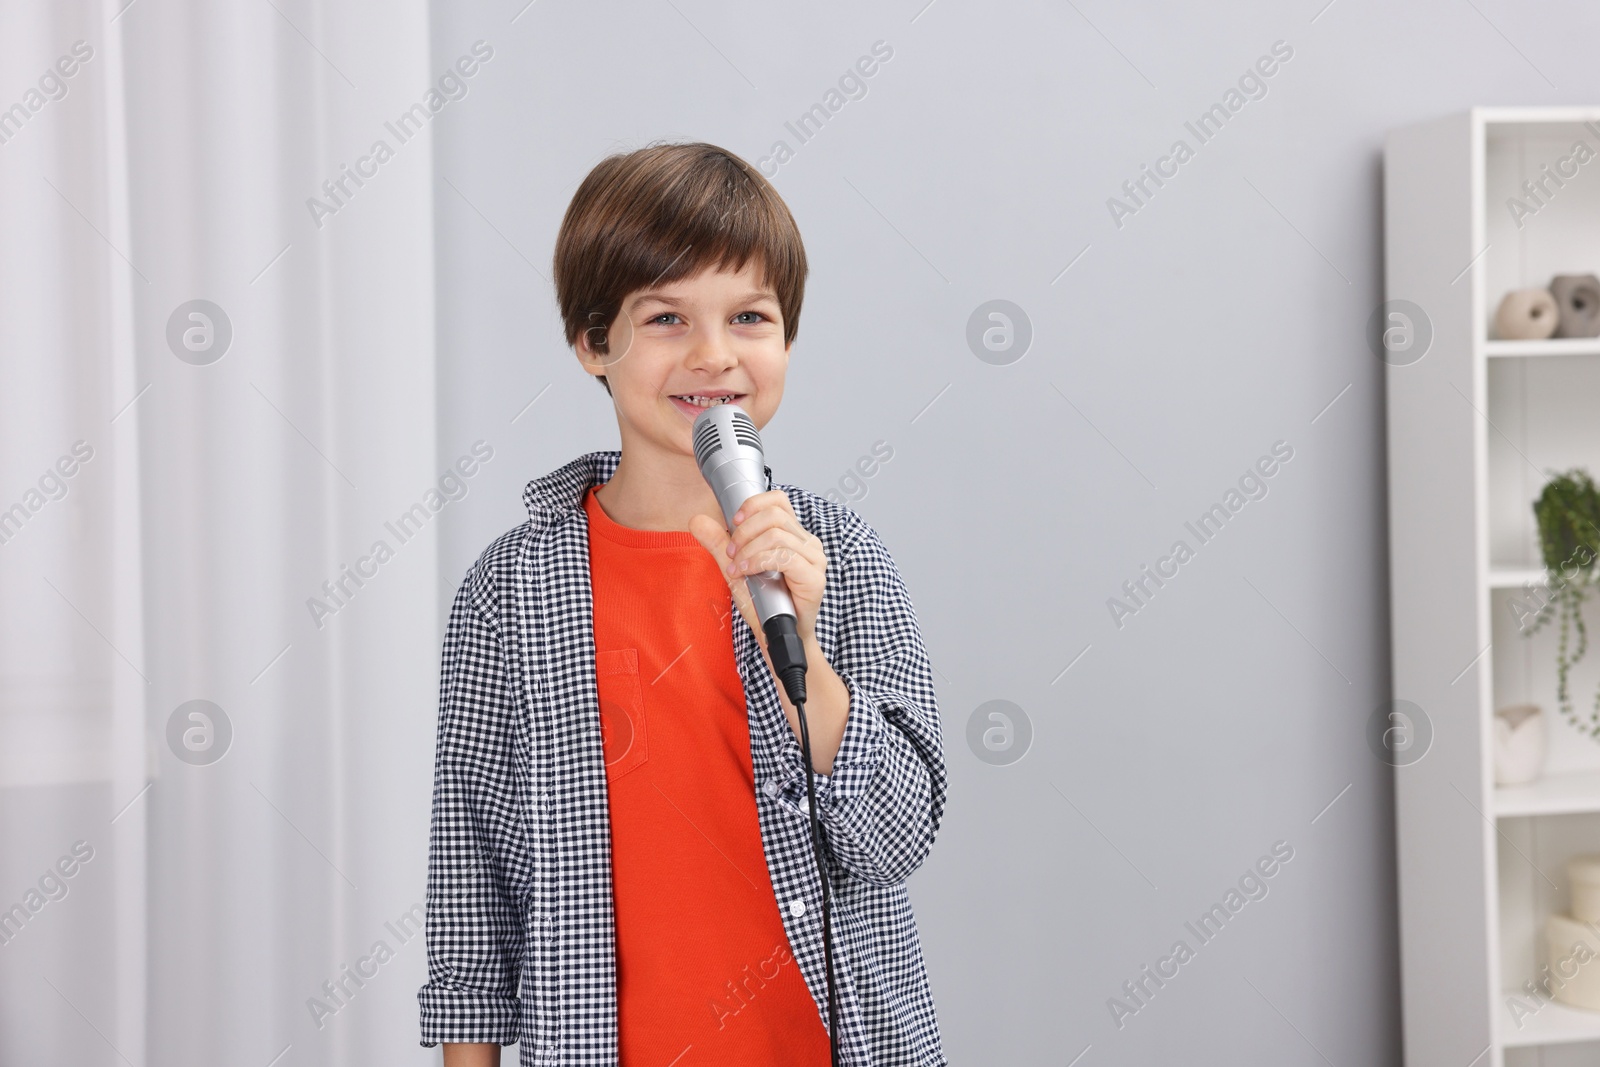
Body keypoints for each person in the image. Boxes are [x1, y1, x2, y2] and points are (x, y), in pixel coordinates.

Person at [417, 141, 948, 1066]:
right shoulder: (512, 589)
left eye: (749, 315)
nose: (714, 355)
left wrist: (803, 655)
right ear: (593, 344)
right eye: (665, 317)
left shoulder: (840, 559)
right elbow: (475, 872)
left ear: (785, 340)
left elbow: (895, 838)